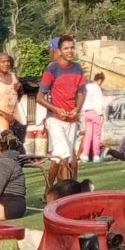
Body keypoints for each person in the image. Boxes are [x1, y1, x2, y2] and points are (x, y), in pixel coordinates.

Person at [38, 35, 87, 189]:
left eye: (72, 47)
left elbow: (81, 93)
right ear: (59, 51)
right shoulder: (51, 69)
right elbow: (39, 97)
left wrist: (77, 109)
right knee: (64, 155)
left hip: (71, 120)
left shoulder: (78, 68)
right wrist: (56, 109)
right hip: (55, 119)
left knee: (61, 158)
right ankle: (67, 193)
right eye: (66, 48)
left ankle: (49, 190)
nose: (70, 51)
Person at [0, 53, 24, 142]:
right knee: (0, 153)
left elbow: (18, 99)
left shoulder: (13, 77)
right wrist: (4, 114)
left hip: (14, 123)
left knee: (13, 154)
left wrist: (19, 90)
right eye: (3, 62)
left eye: (8, 61)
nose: (6, 64)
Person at [82, 73, 106, 162]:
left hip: (86, 112)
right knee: (96, 135)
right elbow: (98, 103)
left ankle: (85, 156)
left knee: (88, 136)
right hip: (95, 112)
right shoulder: (97, 88)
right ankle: (96, 156)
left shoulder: (86, 87)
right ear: (100, 80)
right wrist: (101, 114)